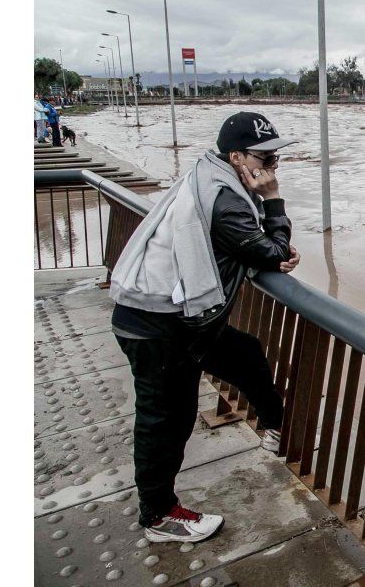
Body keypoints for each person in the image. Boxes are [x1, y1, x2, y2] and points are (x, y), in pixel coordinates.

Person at [108, 112, 301, 544]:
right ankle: (158, 516)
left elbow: (265, 251)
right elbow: (271, 251)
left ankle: (274, 426)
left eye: (276, 160)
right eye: (265, 158)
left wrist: (271, 250)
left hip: (179, 317)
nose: (271, 167)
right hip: (160, 325)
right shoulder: (226, 197)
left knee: (246, 354)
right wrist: (273, 199)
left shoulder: (210, 174)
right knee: (166, 420)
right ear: (235, 156)